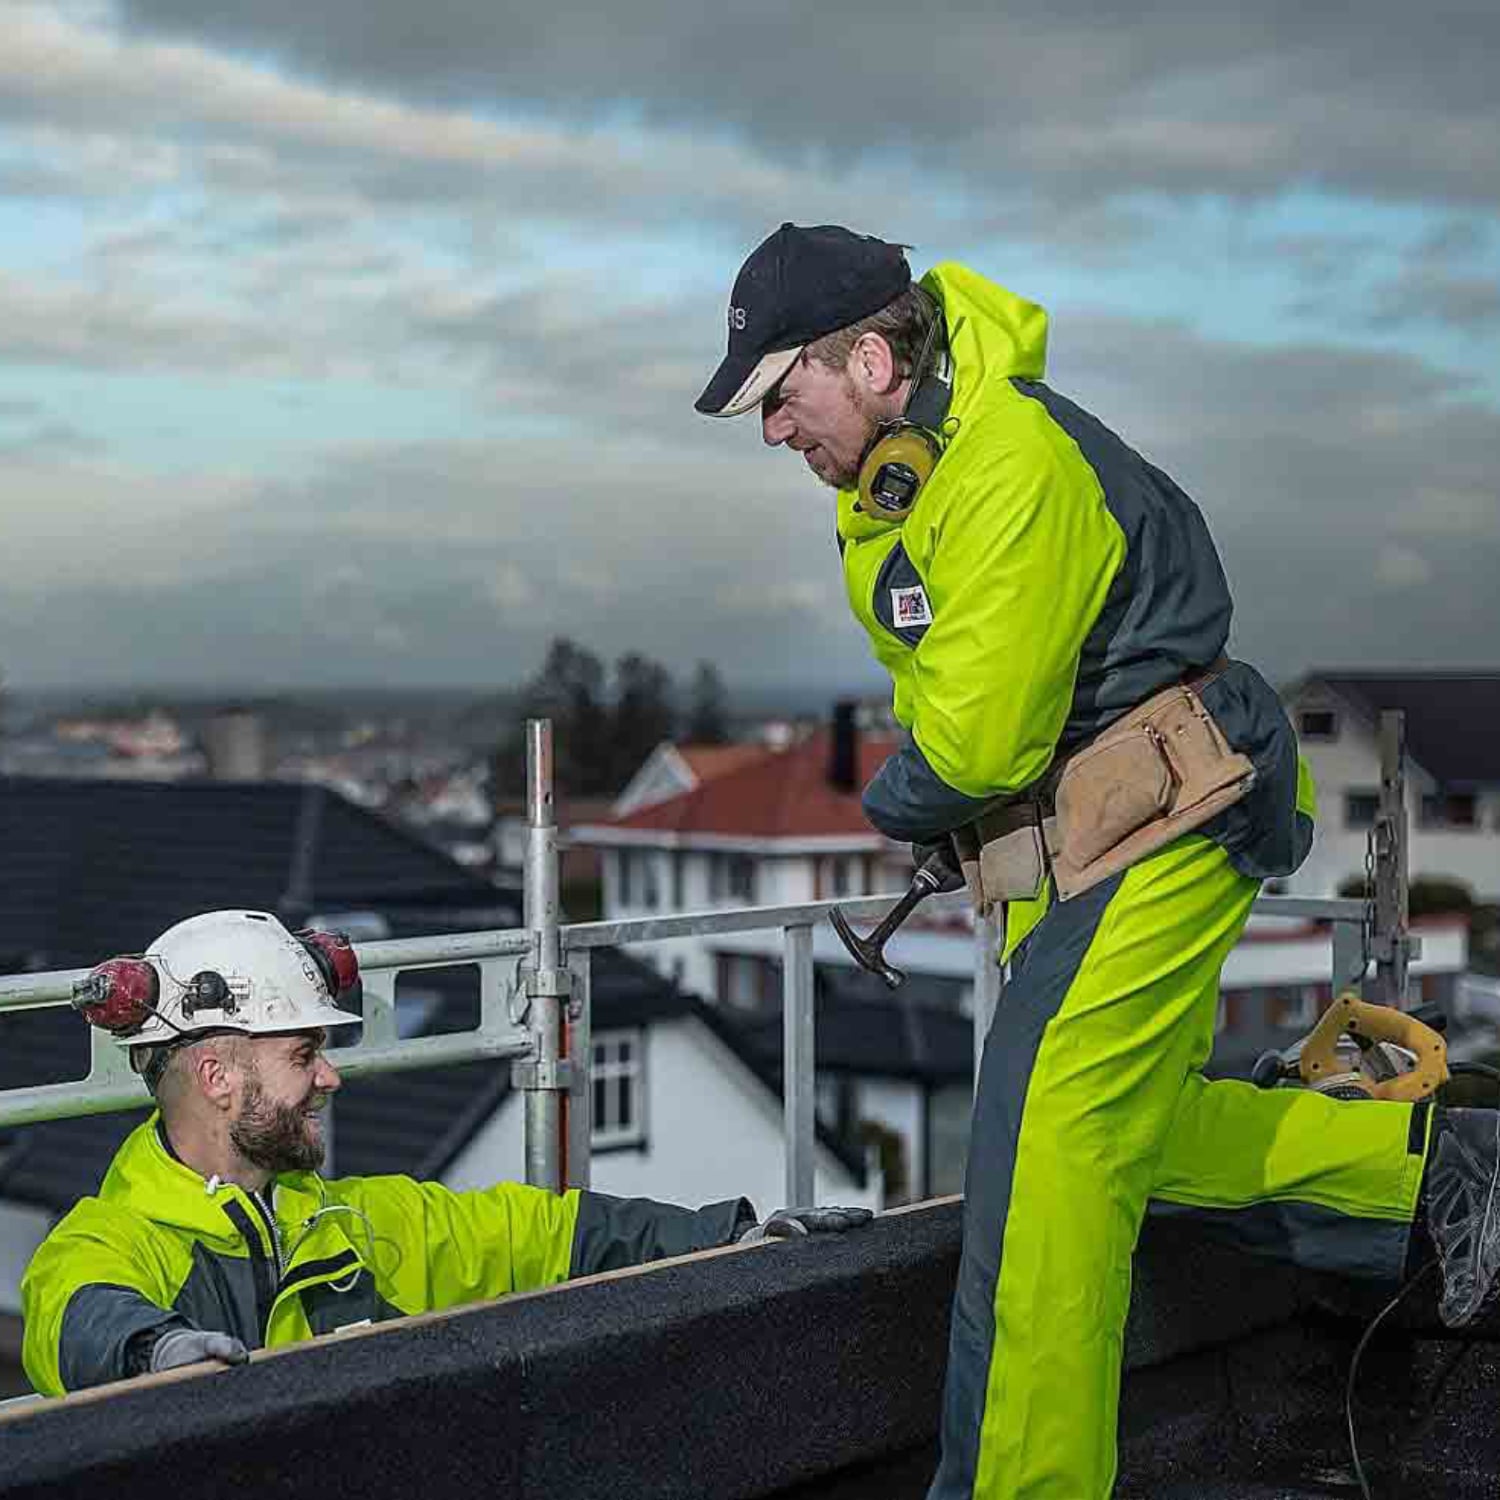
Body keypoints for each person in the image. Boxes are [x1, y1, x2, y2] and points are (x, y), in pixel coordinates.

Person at [695, 222, 1500, 1499]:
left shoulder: (1009, 463)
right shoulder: (912, 477)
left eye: (780, 395)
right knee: (1125, 1130)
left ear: (865, 360)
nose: (773, 431)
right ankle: (1431, 1172)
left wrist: (906, 803)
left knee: (1038, 1203)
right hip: (1109, 825)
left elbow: (969, 740)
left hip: (1168, 807)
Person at [21, 909, 870, 1397]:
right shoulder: (113, 1240)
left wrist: (738, 1240)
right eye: (302, 1054)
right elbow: (72, 1310)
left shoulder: (356, 1222)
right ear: (215, 1074)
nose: (330, 1078)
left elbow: (553, 1234)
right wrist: (154, 1354)